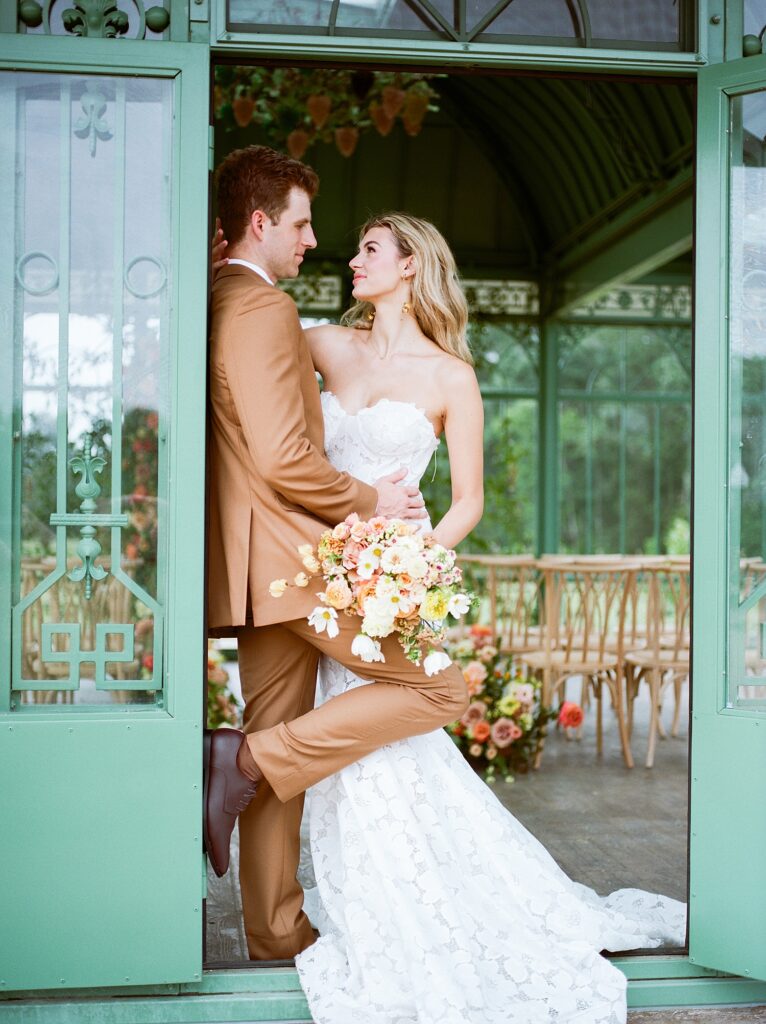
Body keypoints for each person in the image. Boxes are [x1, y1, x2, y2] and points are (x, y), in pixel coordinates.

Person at [213, 198, 686, 1022]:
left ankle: (247, 763)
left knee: (418, 709)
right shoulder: (318, 340)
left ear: (409, 267)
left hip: (387, 577)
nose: (350, 259)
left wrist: (414, 558)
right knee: (298, 728)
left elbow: (463, 502)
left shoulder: (450, 377)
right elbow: (265, 417)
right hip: (304, 569)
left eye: (368, 248)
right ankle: (271, 932)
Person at [205, 146, 470, 963]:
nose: (318, 242)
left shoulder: (218, 297)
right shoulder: (267, 312)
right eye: (304, 223)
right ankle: (239, 757)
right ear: (260, 224)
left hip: (265, 567)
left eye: (361, 245)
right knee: (439, 685)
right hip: (303, 562)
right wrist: (375, 503)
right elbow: (286, 458)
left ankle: (276, 935)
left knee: (275, 741)